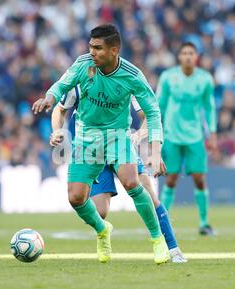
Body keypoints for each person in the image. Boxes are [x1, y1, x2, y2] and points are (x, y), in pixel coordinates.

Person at [32, 24, 170, 264]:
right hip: (86, 139)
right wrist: (49, 98)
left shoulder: (132, 75)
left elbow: (153, 112)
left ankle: (158, 240)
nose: (92, 52)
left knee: (131, 182)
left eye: (97, 48)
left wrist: (155, 152)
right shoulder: (83, 65)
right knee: (76, 198)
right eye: (90, 47)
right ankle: (102, 230)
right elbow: (62, 85)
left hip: (117, 136)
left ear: (114, 50)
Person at [51, 85, 187, 263]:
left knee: (147, 192)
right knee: (100, 211)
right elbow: (59, 110)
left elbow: (147, 116)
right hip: (91, 149)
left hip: (119, 144)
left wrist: (139, 135)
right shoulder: (80, 82)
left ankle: (173, 248)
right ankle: (102, 229)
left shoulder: (123, 81)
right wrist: (57, 131)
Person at [157, 42, 217, 236]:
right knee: (171, 179)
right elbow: (160, 105)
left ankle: (204, 223)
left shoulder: (205, 79)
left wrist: (213, 133)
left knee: (200, 179)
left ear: (196, 56)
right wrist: (156, 131)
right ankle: (162, 221)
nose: (188, 56)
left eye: (191, 53)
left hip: (195, 136)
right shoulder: (168, 77)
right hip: (172, 135)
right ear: (179, 57)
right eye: (184, 53)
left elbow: (209, 107)